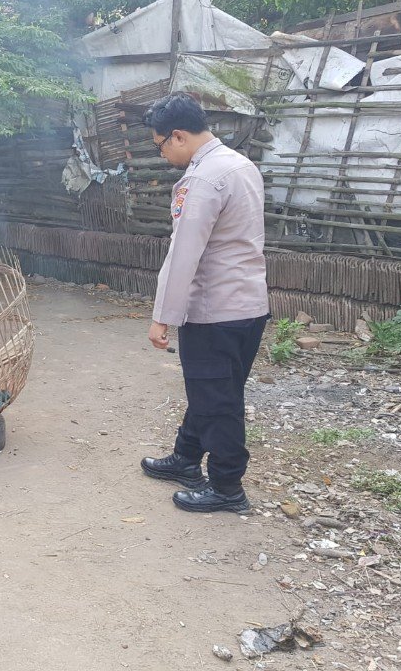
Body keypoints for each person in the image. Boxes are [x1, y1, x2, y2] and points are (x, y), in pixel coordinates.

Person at [139, 92, 270, 513]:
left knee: (218, 400)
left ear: (178, 135)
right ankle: (186, 458)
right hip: (247, 305)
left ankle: (227, 488)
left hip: (215, 311)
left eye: (160, 144)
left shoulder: (202, 179)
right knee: (214, 389)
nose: (162, 154)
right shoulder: (240, 164)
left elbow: (184, 255)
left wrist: (163, 317)